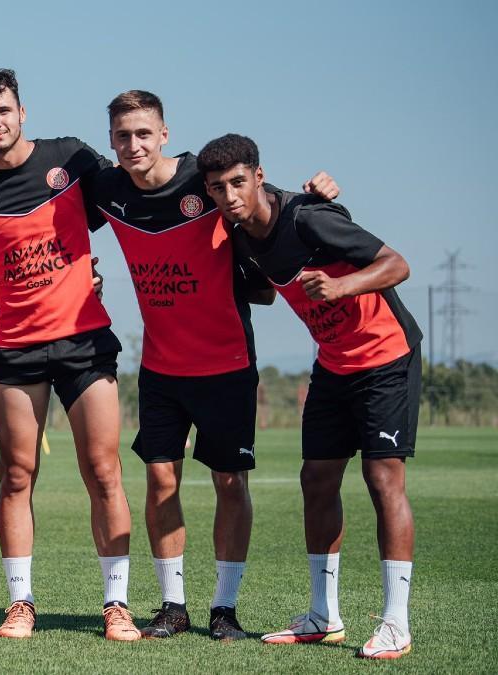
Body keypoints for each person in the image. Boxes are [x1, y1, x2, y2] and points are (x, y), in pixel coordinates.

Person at [85, 91, 337, 641]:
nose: (134, 145)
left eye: (144, 133)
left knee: (229, 481)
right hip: (159, 365)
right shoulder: (105, 189)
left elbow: (259, 198)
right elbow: (40, 196)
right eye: (123, 135)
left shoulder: (203, 177)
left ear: (165, 134)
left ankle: (224, 608)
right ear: (110, 141)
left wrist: (316, 193)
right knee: (159, 481)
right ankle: (173, 607)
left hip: (226, 362)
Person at [200, 133, 420, 660]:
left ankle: (396, 622)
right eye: (216, 188)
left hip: (386, 356)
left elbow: (397, 264)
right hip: (333, 363)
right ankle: (324, 615)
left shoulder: (307, 218)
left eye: (237, 183)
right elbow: (260, 286)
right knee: (316, 479)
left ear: (258, 176)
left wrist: (343, 287)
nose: (229, 196)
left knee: (381, 478)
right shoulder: (240, 234)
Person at [0, 67, 137, 640]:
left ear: (22, 111)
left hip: (85, 342)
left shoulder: (74, 159)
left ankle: (116, 605)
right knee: (16, 475)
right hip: (16, 348)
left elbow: (135, 187)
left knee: (103, 472)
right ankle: (20, 603)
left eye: (3, 111)